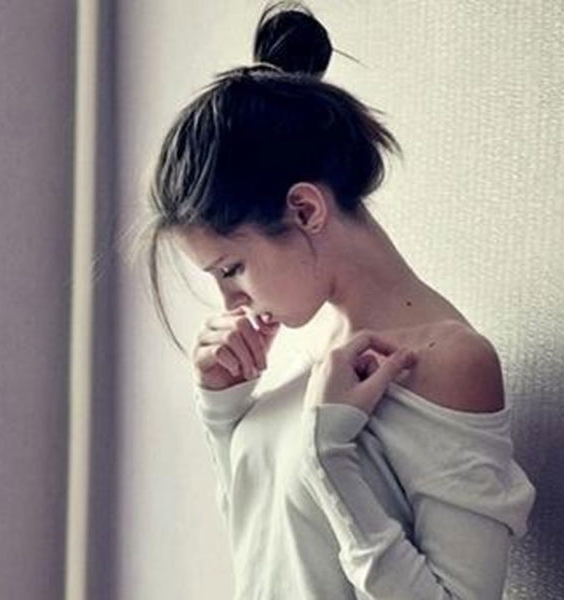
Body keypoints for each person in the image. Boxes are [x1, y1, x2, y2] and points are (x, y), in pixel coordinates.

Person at [142, 2, 537, 598]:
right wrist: (223, 411)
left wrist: (328, 458)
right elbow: (269, 552)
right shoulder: (320, 357)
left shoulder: (449, 364)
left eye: (232, 269)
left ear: (305, 210)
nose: (229, 303)